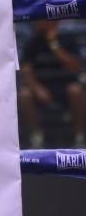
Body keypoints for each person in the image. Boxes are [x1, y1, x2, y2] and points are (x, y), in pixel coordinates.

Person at [18, 19, 85, 148]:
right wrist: (37, 88)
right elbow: (26, 69)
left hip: (65, 87)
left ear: (55, 22)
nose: (38, 22)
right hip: (42, 88)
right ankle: (36, 138)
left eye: (43, 19)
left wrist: (54, 44)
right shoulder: (33, 41)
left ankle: (80, 138)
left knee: (76, 91)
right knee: (24, 95)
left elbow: (75, 66)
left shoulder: (67, 39)